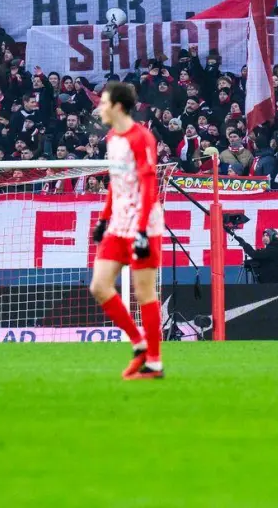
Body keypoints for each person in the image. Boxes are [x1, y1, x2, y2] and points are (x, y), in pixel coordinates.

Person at [87, 81, 164, 381]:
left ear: (118, 106)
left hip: (143, 223)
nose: (99, 107)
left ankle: (154, 363)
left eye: (103, 102)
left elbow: (148, 186)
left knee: (144, 291)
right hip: (118, 223)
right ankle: (139, 343)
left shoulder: (141, 137)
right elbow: (116, 182)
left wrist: (143, 230)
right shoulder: (112, 138)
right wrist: (103, 219)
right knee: (99, 286)